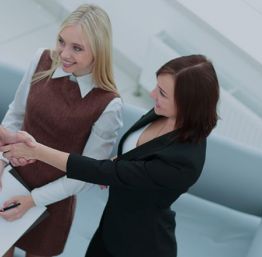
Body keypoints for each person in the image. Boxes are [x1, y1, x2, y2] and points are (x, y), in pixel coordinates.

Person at [1, 54, 220, 257]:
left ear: (188, 104)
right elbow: (136, 156)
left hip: (139, 245)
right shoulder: (162, 114)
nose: (152, 94)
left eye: (162, 93)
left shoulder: (184, 161)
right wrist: (120, 165)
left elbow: (104, 172)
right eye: (157, 86)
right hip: (112, 226)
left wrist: (37, 151)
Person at [0, 4, 122, 257]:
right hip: (9, 182)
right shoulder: (41, 59)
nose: (64, 54)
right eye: (61, 41)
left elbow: (86, 172)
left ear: (98, 52)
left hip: (54, 200)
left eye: (77, 48)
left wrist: (35, 199)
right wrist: (1, 161)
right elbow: (16, 114)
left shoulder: (108, 104)